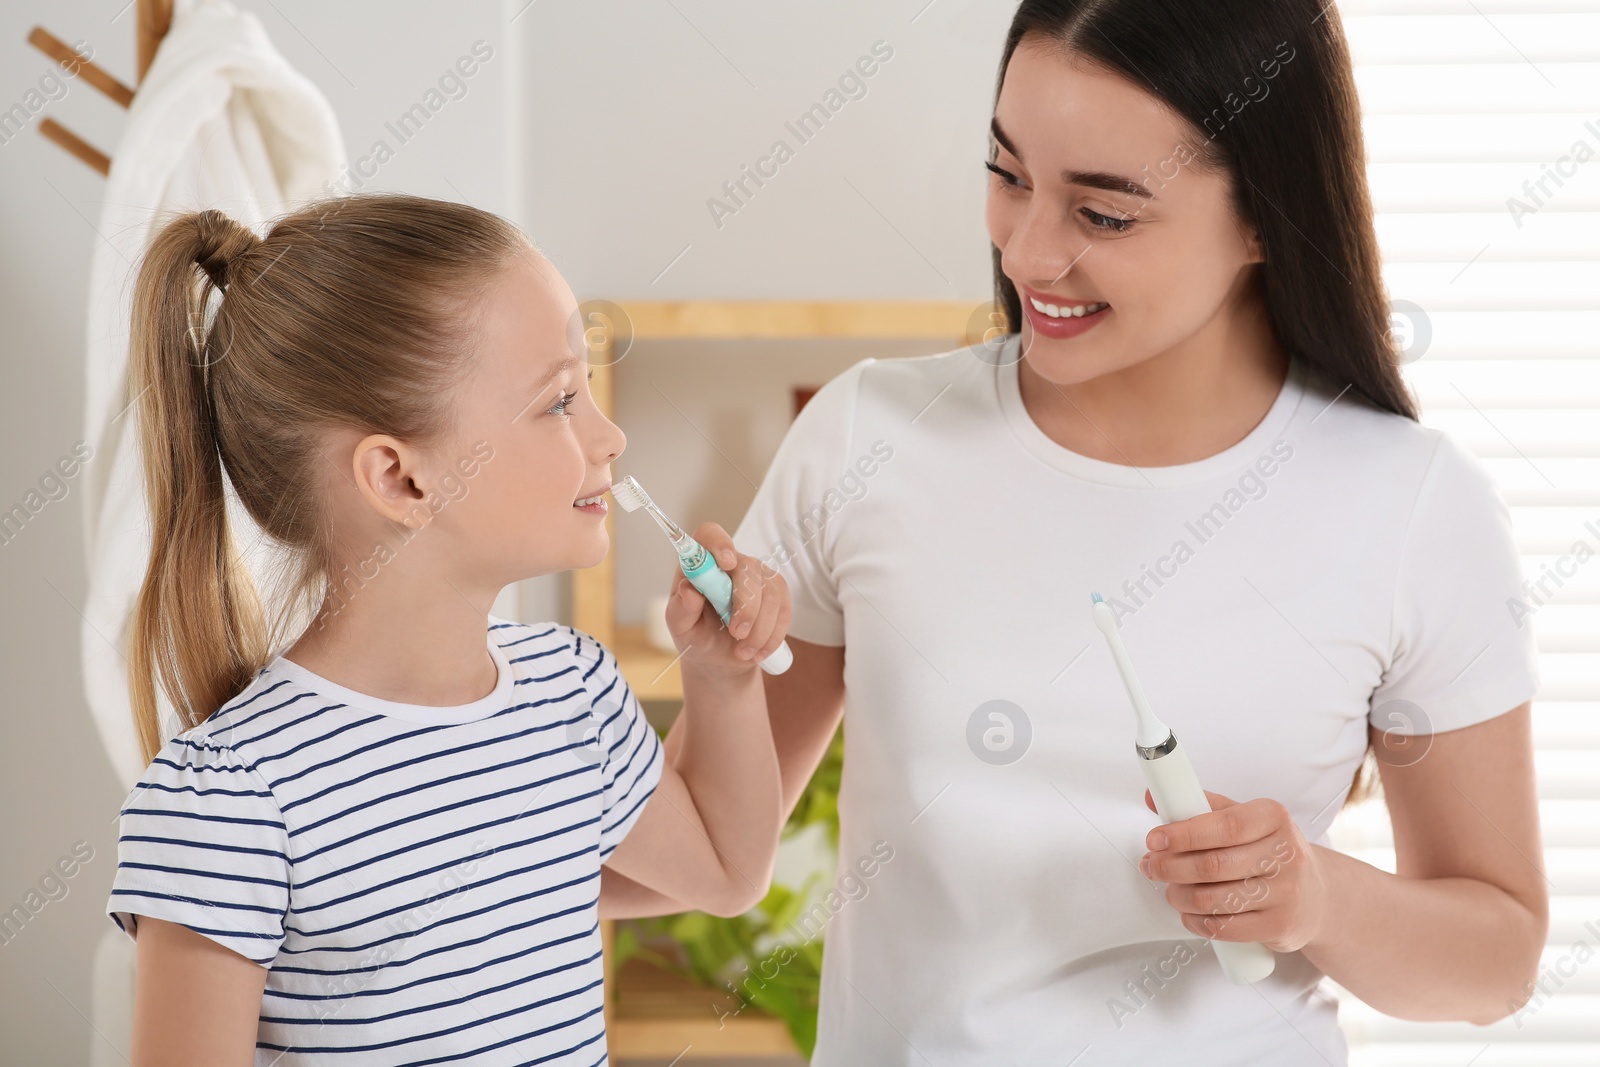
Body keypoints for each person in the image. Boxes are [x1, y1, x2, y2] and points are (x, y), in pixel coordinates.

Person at [604, 1, 1546, 1063]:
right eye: (1007, 176)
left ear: (1261, 219)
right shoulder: (868, 438)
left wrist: (1315, 895)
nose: (1027, 251)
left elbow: (1496, 958)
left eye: (1102, 215)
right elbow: (688, 854)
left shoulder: (1409, 502)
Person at [104, 192, 791, 1066]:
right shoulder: (232, 801)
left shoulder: (572, 693)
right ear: (401, 479)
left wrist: (721, 674)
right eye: (559, 400)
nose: (609, 436)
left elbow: (728, 873)